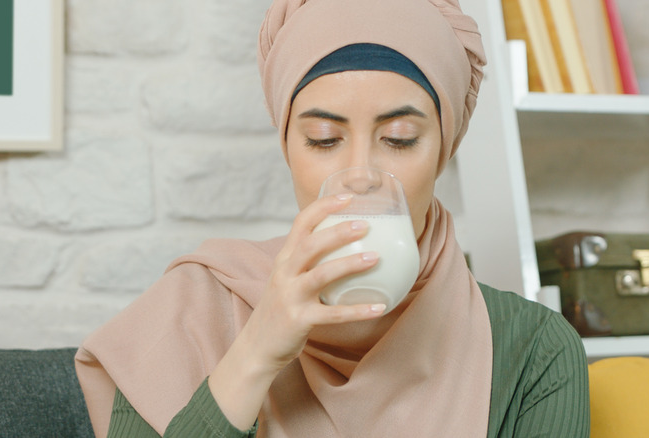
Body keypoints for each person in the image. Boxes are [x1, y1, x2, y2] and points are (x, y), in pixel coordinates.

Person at [75, 0, 590, 436]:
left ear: (443, 150)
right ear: (287, 148)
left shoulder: (534, 351)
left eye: (399, 139)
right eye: (323, 139)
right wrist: (256, 351)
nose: (360, 174)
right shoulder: (188, 313)